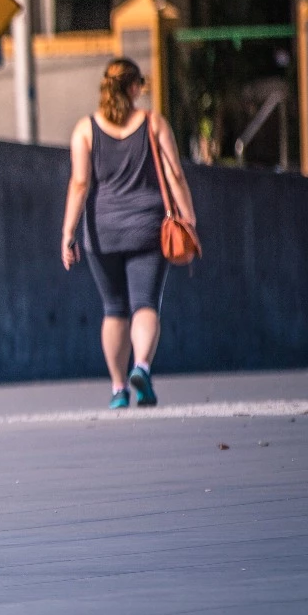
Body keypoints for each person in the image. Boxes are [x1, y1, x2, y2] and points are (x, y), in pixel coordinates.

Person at [60, 58, 197, 409]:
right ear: (134, 87)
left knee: (113, 308)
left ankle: (118, 388)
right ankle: (142, 366)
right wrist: (188, 217)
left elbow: (79, 183)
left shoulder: (85, 129)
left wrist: (68, 232)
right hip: (147, 227)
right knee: (145, 304)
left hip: (101, 230)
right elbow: (175, 174)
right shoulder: (153, 123)